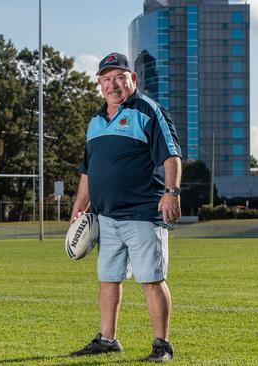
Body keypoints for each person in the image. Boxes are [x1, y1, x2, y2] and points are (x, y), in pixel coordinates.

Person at [69, 52, 182, 362]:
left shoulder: (148, 110)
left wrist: (172, 192)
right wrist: (80, 208)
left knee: (151, 278)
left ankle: (162, 345)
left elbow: (171, 154)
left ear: (133, 79)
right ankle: (107, 339)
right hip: (105, 217)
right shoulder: (95, 121)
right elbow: (88, 170)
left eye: (120, 77)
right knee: (108, 279)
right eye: (106, 79)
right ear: (100, 84)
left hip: (143, 213)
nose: (113, 84)